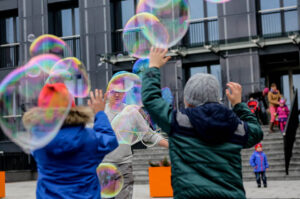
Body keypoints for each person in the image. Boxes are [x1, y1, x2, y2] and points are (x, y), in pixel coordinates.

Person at [141, 47, 263, 199]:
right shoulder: (236, 128)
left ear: (187, 100)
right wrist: (239, 105)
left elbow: (151, 100)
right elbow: (257, 132)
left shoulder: (179, 122)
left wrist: (153, 67)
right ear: (216, 98)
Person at [23, 83, 118, 199]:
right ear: (71, 107)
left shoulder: (37, 141)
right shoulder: (89, 138)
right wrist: (99, 113)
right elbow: (109, 139)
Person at [102, 73, 168, 199]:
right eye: (114, 91)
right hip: (104, 167)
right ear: (108, 92)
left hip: (124, 166)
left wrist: (170, 145)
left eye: (120, 91)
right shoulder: (100, 112)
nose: (117, 94)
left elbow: (149, 135)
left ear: (125, 93)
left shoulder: (132, 112)